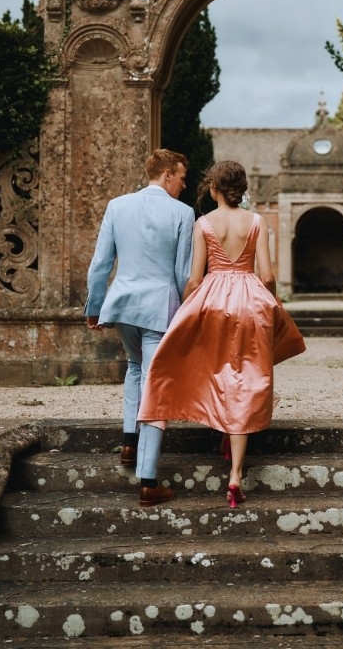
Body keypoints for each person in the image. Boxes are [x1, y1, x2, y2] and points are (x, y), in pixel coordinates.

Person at [138, 160, 306, 508]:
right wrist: (269, 300)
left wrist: (186, 310)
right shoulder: (256, 221)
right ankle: (235, 476)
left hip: (213, 299)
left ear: (214, 188)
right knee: (246, 376)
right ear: (241, 189)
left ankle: (220, 431)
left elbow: (195, 277)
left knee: (215, 371)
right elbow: (269, 274)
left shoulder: (203, 223)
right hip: (250, 299)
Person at [84, 148, 194, 507]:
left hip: (123, 305)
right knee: (157, 384)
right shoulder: (182, 213)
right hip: (158, 308)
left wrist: (94, 307)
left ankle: (129, 442)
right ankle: (148, 480)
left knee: (135, 368)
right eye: (181, 178)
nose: (183, 185)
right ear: (166, 176)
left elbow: (100, 263)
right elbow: (181, 273)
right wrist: (184, 313)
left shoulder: (118, 206)